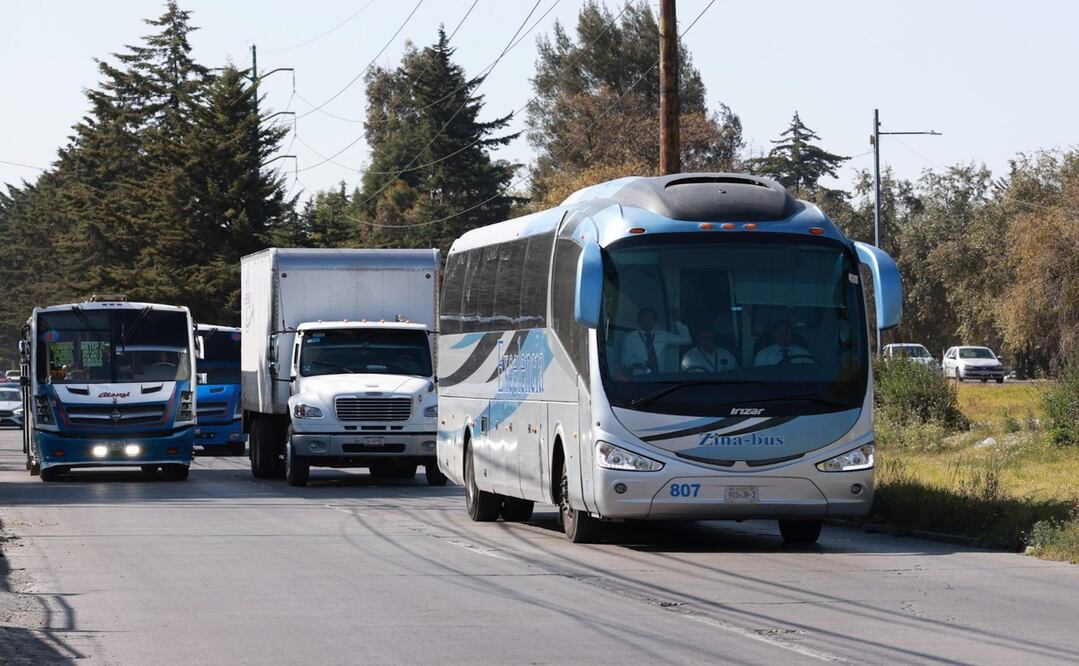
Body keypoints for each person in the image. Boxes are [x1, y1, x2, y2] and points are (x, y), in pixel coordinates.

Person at [621, 307, 690, 377]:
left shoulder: (662, 335)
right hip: (639, 378)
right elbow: (625, 362)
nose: (649, 320)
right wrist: (644, 364)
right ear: (639, 319)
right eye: (645, 317)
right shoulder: (630, 337)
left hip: (659, 378)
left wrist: (677, 321)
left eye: (652, 318)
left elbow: (686, 340)